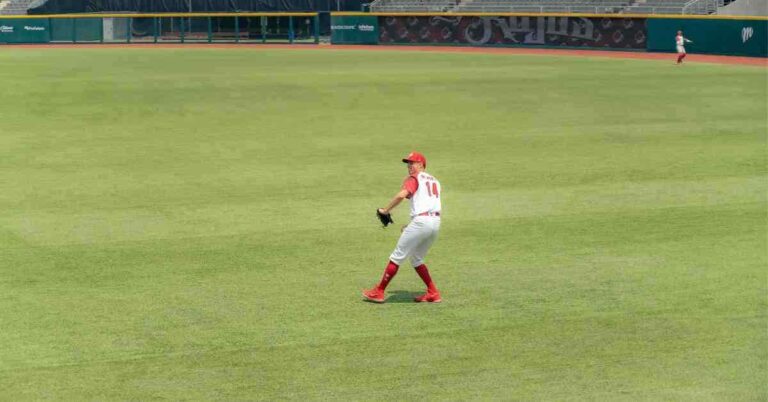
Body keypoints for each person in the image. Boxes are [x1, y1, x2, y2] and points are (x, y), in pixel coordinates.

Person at [362, 151, 443, 303]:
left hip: (422, 222)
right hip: (435, 223)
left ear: (421, 165)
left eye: (412, 163)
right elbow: (428, 204)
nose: (409, 166)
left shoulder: (415, 178)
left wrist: (385, 210)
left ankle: (379, 291)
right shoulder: (435, 181)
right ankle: (433, 292)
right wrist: (412, 224)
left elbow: (401, 195)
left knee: (397, 256)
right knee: (416, 258)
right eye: (408, 163)